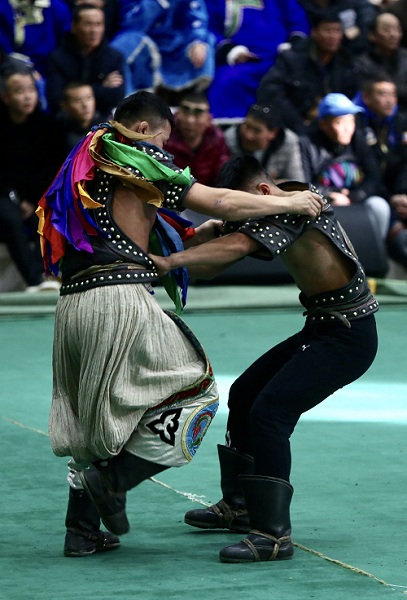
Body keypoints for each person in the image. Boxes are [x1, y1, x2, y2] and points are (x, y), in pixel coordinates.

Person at [37, 90, 325, 557]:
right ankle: (114, 481)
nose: (165, 153)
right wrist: (288, 204)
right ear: (145, 129)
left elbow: (135, 227)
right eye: (164, 141)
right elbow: (217, 200)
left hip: (73, 304)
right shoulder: (131, 148)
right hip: (118, 300)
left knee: (95, 417)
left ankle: (82, 529)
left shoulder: (86, 157)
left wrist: (194, 238)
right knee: (197, 393)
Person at [149, 155, 379, 564]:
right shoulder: (275, 201)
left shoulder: (298, 204)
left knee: (270, 413)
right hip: (322, 326)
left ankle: (273, 536)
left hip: (348, 335)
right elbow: (222, 253)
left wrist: (168, 262)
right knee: (246, 392)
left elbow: (236, 247)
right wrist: (196, 238)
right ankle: (238, 508)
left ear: (261, 193)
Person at [0, 65, 65, 290]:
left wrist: (31, 199)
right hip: (4, 195)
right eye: (19, 91)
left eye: (31, 89)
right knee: (8, 216)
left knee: (52, 210)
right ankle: (33, 281)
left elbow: (53, 171)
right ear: (6, 97)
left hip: (36, 196)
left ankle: (43, 275)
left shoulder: (48, 127)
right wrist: (16, 199)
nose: (27, 96)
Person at [300, 92, 391, 241]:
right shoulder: (306, 143)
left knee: (379, 206)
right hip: (326, 203)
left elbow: (374, 176)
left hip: (356, 199)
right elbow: (303, 182)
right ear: (323, 124)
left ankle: (375, 251)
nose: (347, 128)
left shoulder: (357, 139)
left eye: (351, 121)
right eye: (339, 122)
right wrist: (329, 196)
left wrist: (354, 196)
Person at [257, 12, 362, 134]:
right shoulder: (292, 58)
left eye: (337, 31)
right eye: (327, 30)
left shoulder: (346, 62)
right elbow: (270, 92)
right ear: (314, 32)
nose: (333, 36)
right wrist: (298, 126)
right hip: (294, 125)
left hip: (332, 127)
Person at [204, 0, 310, 119]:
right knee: (224, 83)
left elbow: (298, 22)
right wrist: (232, 51)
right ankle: (230, 129)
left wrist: (291, 48)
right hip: (240, 62)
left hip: (280, 60)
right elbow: (208, 28)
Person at [110, 0, 215, 105]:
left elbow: (197, 15)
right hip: (143, 40)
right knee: (124, 45)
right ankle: (130, 104)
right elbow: (132, 24)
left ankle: (188, 105)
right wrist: (157, 2)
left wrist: (197, 41)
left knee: (206, 42)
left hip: (176, 43)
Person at [356, 73, 407, 269]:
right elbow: (369, 172)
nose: (389, 100)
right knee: (402, 243)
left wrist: (402, 194)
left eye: (392, 95)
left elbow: (405, 163)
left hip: (399, 194)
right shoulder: (356, 124)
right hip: (373, 196)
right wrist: (391, 198)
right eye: (382, 94)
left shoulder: (401, 122)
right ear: (367, 97)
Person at [46, 3, 125, 119]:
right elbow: (55, 99)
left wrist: (75, 95)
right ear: (74, 27)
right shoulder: (57, 58)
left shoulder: (114, 57)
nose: (94, 31)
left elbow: (116, 96)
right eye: (88, 24)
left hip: (102, 119)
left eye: (98, 24)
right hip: (67, 123)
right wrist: (100, 88)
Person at [224, 102, 305, 182]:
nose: (248, 135)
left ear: (273, 132)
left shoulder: (288, 141)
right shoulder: (229, 138)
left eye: (257, 130)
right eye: (247, 126)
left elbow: (297, 182)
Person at [164, 91, 230, 188]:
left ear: (209, 120)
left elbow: (222, 177)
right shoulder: (165, 136)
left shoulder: (217, 139)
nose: (190, 120)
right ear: (177, 114)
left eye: (197, 114)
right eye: (185, 112)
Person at [355, 12, 407, 113]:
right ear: (372, 35)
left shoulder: (405, 57)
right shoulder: (362, 63)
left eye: (397, 29)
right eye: (386, 30)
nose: (393, 34)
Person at [57, 81, 101, 152]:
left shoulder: (106, 130)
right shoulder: (58, 133)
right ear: (65, 106)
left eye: (89, 98)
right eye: (78, 100)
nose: (85, 105)